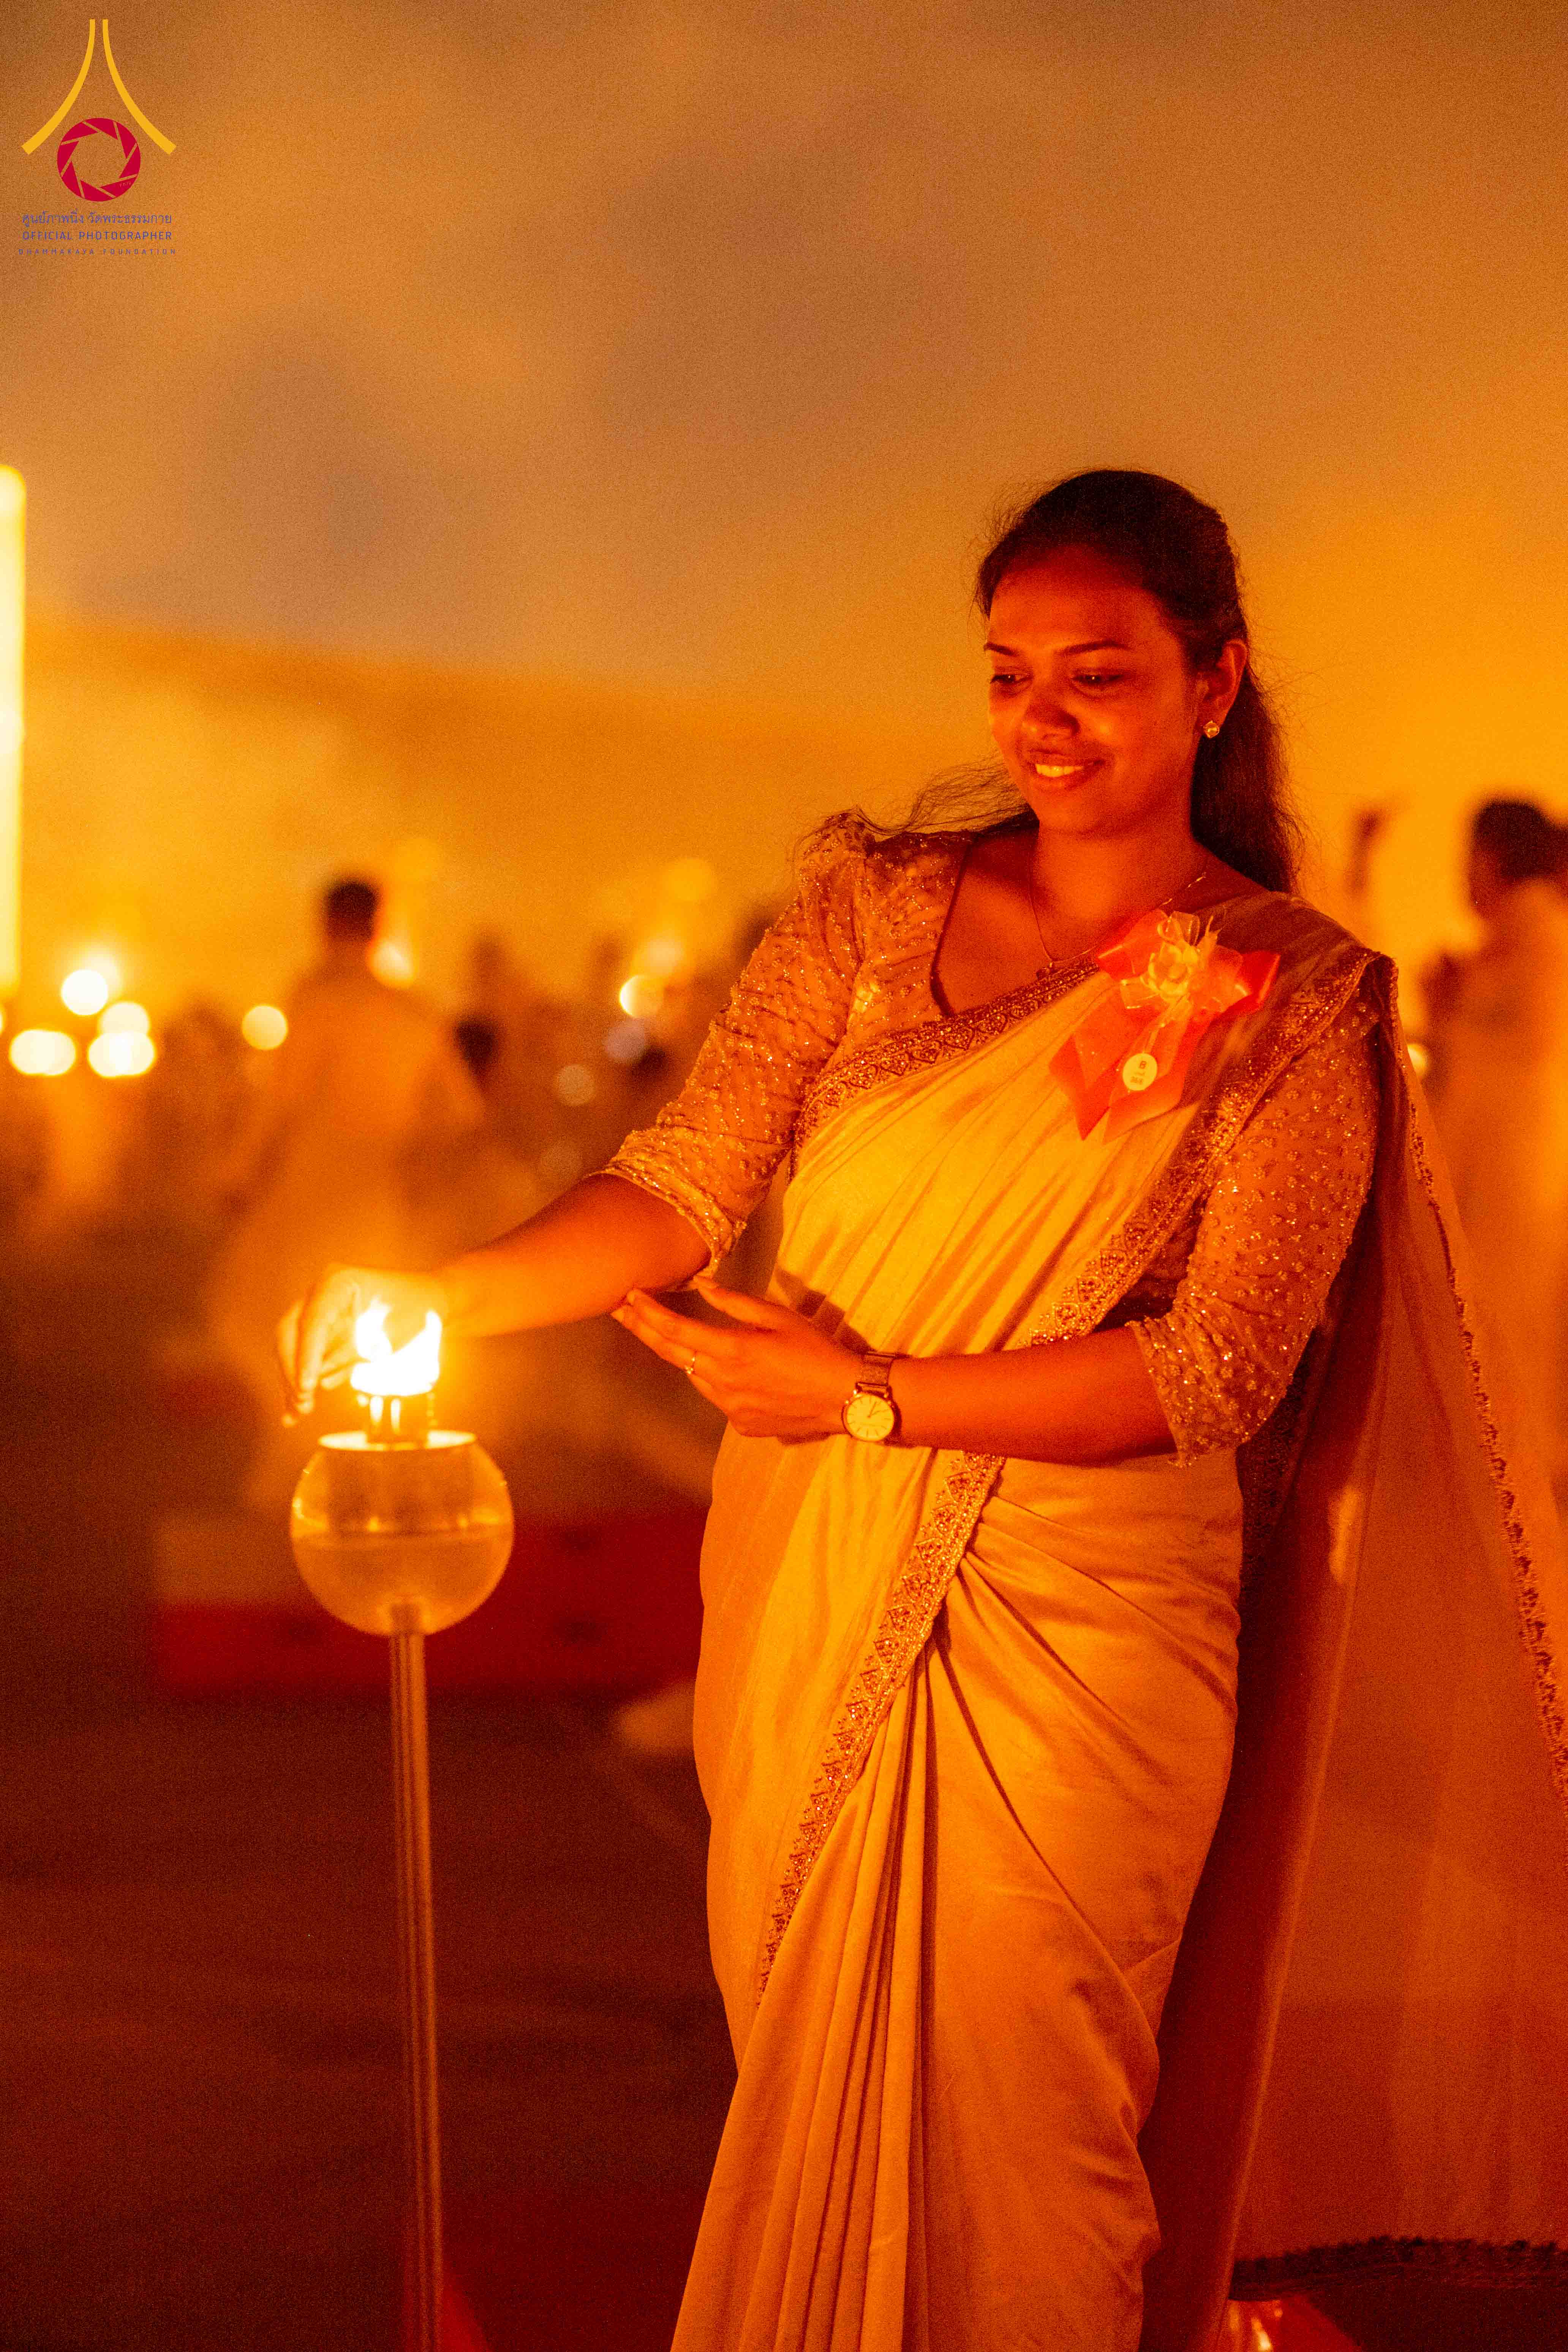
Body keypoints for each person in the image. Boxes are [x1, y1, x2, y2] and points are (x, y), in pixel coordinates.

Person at [278, 474, 1568, 2351]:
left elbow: (1215, 1365)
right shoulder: (870, 910)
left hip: (1090, 1635)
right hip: (815, 1571)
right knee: (825, 2061)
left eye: (1097, 675)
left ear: (1210, 686)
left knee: (1030, 2124)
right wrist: (449, 1289)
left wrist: (867, 1398)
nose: (1042, 719)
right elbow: (684, 1176)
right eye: (1007, 673)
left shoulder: (1278, 993)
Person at [210, 876, 482, 1508]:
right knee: (361, 1335)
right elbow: (462, 1115)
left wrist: (236, 1177)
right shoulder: (415, 1011)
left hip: (309, 1191)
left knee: (282, 1329)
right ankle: (349, 1479)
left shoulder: (316, 999)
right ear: (379, 927)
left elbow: (279, 1101)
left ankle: (300, 1476)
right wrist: (416, 1169)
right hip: (379, 1195)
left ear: (326, 924)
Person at [1421, 798, 1568, 1494]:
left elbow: (1526, 1053)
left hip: (1518, 1174)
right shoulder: (1518, 940)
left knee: (1510, 1337)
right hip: (1510, 1172)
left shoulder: (1542, 938)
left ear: (1494, 859)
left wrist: (1454, 1010)